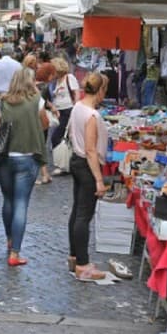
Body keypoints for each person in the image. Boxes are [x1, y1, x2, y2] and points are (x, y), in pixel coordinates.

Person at [0, 68, 48, 267]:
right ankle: (15, 252)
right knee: (21, 203)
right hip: (27, 157)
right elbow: (45, 123)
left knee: (8, 199)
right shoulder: (36, 101)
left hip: (4, 158)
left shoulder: (2, 102)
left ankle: (9, 239)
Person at [67, 72, 110, 281]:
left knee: (77, 212)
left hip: (76, 161)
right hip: (86, 165)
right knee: (84, 215)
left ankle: (75, 258)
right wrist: (99, 180)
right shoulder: (92, 115)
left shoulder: (78, 107)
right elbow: (91, 150)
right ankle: (83, 266)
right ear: (100, 90)